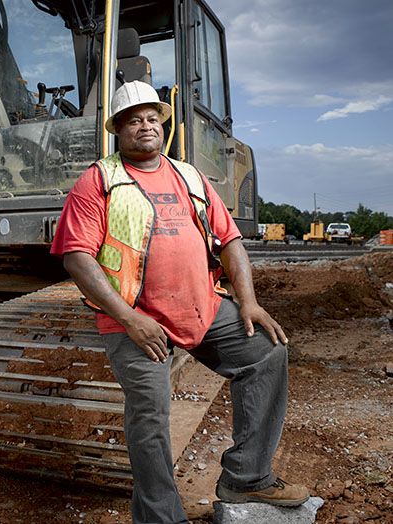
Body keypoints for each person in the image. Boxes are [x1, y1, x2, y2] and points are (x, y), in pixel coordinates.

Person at [50, 80, 309, 523]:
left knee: (266, 352)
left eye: (152, 118)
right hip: (136, 320)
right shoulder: (99, 180)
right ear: (118, 129)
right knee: (150, 415)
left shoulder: (189, 175)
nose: (145, 126)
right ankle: (160, 517)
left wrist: (247, 302)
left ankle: (246, 478)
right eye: (134, 120)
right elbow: (77, 257)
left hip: (202, 307)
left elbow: (230, 242)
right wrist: (130, 318)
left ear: (163, 126)